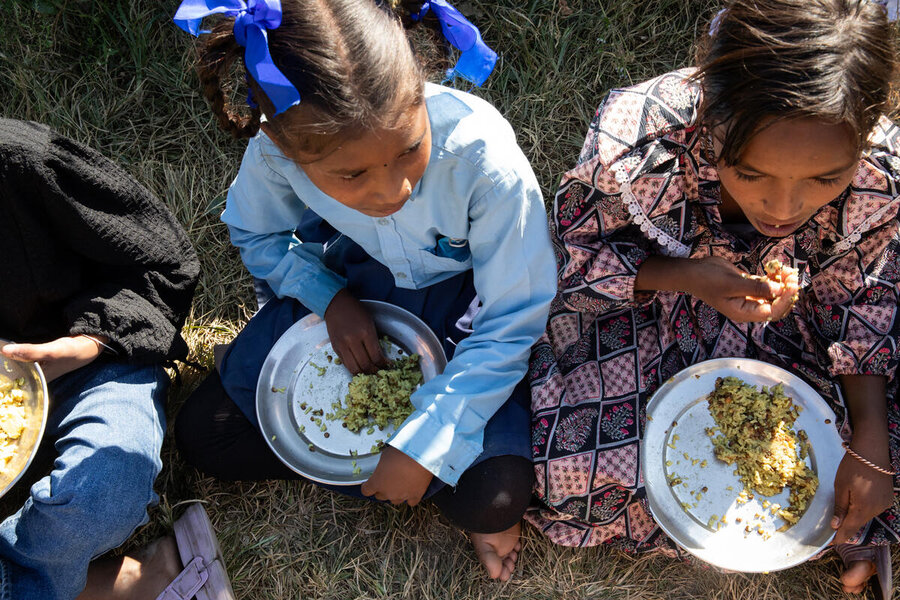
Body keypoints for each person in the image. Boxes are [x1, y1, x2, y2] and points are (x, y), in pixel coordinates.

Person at [524, 0, 900, 596]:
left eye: (824, 181)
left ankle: (850, 520)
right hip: (651, 306)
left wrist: (872, 447)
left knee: (863, 475)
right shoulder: (645, 141)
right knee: (568, 472)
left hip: (800, 334)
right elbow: (575, 257)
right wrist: (691, 277)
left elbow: (862, 303)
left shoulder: (879, 176)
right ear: (709, 117)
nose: (782, 209)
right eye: (750, 174)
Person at [171, 0, 556, 581]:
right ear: (284, 144)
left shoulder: (483, 159)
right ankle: (394, 472)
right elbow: (255, 232)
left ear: (421, 93)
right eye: (352, 176)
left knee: (495, 497)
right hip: (358, 282)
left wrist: (428, 441)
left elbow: (513, 315)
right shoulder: (280, 148)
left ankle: (429, 477)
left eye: (409, 148)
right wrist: (328, 297)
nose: (394, 189)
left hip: (469, 311)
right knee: (203, 437)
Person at [0, 118, 233, 600]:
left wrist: (88, 342)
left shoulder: (23, 163)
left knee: (105, 489)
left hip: (88, 361)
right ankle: (109, 583)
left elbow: (161, 262)